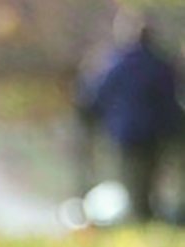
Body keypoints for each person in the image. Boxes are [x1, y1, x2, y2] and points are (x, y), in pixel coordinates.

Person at [77, 11, 184, 221]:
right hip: (157, 132)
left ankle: (141, 217)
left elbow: (96, 96)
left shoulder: (115, 64)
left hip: (127, 133)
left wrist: (90, 119)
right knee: (151, 178)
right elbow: (172, 100)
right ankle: (149, 217)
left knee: (134, 180)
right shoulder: (162, 65)